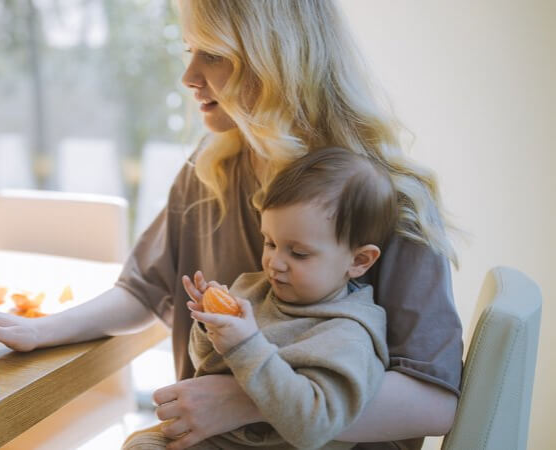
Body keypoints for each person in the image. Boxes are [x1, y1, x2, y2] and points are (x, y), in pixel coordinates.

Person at [0, 1, 463, 449]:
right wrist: (40, 329)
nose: (188, 77)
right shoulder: (212, 167)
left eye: (215, 55)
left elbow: (435, 399)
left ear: (277, 60)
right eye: (189, 51)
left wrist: (246, 401)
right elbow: (145, 289)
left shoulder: (387, 197)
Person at [123, 147, 397, 449]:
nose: (274, 263)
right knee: (141, 443)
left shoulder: (348, 335)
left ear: (359, 261)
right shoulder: (254, 290)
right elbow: (207, 365)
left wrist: (246, 345)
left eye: (299, 253)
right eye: (270, 242)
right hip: (215, 439)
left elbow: (314, 426)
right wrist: (211, 328)